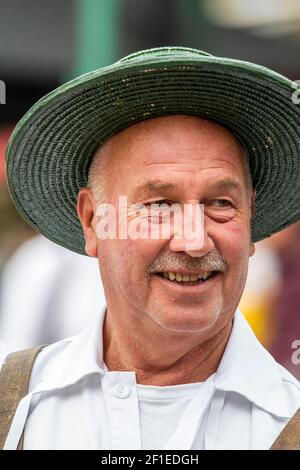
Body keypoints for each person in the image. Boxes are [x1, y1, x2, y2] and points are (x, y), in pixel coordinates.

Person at [1, 47, 300, 450]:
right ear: (93, 220)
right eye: (159, 205)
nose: (194, 242)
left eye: (220, 204)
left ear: (249, 224)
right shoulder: (16, 406)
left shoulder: (287, 416)